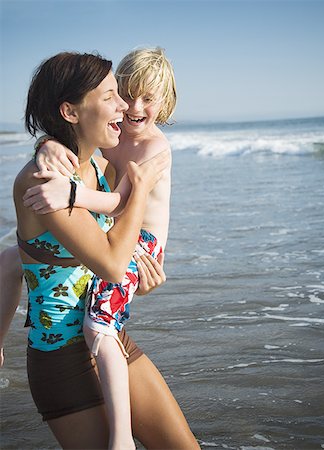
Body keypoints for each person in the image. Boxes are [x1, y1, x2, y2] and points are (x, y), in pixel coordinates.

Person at [0, 51, 200, 449]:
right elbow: (109, 263)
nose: (125, 106)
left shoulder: (96, 167)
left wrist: (139, 279)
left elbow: (112, 250)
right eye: (112, 96)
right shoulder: (44, 180)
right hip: (61, 359)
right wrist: (140, 189)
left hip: (110, 339)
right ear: (72, 112)